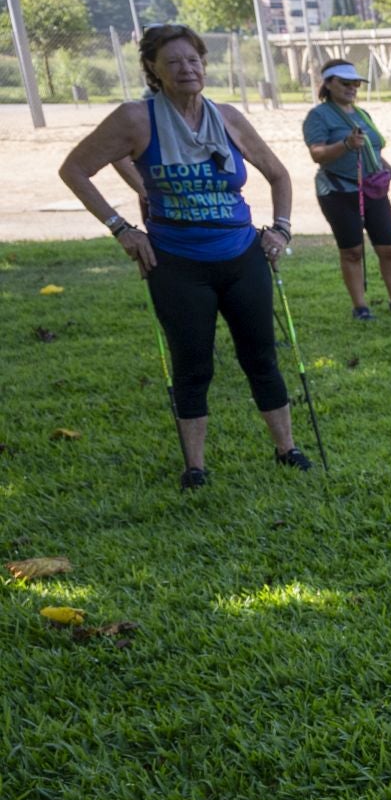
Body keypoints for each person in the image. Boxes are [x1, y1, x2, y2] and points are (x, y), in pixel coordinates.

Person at [56, 24, 312, 489]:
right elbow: (74, 169)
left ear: (204, 64)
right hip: (176, 262)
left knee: (261, 357)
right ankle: (195, 466)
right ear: (153, 69)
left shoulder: (228, 117)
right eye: (172, 61)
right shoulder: (136, 118)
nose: (186, 68)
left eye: (193, 59)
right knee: (192, 364)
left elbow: (278, 175)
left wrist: (281, 229)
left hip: (241, 255)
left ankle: (287, 449)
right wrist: (123, 230)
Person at [302, 59, 391, 321]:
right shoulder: (318, 116)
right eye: (346, 83)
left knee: (389, 248)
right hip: (338, 191)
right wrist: (345, 144)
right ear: (329, 84)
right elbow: (317, 154)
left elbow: (374, 153)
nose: (352, 88)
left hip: (373, 189)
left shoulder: (362, 114)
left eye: (356, 83)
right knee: (352, 251)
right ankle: (360, 307)